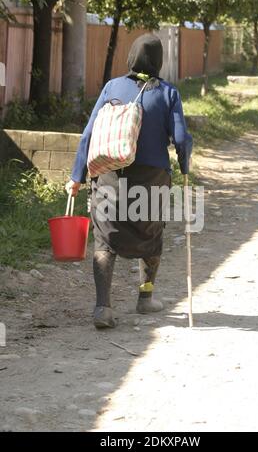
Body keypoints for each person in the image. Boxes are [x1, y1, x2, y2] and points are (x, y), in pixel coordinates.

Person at [66, 33, 192, 329]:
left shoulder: (112, 86)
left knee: (105, 237)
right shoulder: (168, 92)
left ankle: (102, 308)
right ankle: (145, 298)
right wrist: (185, 165)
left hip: (110, 173)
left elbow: (88, 134)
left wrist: (76, 177)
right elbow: (182, 138)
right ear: (159, 61)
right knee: (152, 233)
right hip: (152, 178)